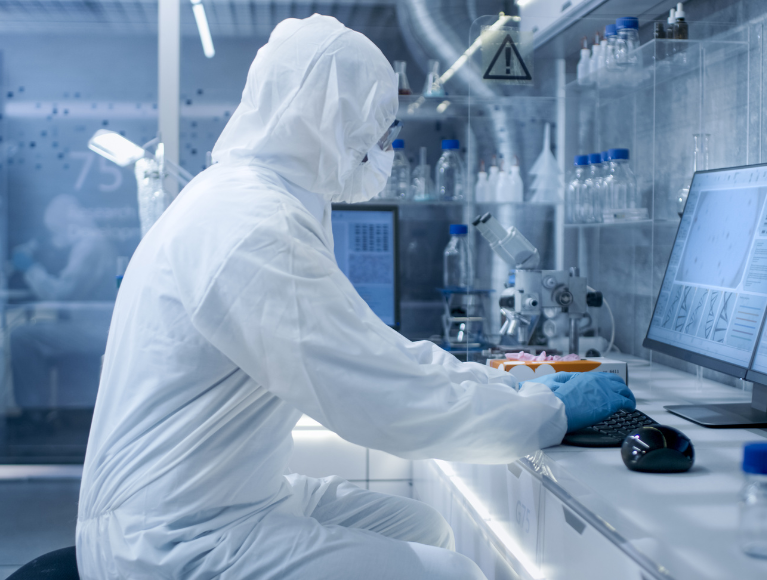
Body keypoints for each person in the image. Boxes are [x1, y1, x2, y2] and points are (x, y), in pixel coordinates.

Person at [76, 15, 634, 580]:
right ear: (331, 122)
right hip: (174, 537)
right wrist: (549, 413)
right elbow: (379, 396)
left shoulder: (263, 198)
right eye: (379, 129)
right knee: (454, 574)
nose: (386, 147)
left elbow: (375, 353)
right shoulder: (250, 227)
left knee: (424, 529)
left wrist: (510, 386)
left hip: (221, 496)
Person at [10, 194, 117, 415]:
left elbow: (61, 294)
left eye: (56, 231)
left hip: (95, 330)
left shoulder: (90, 245)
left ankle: (34, 414)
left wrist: (29, 267)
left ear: (68, 225)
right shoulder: (92, 242)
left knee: (21, 337)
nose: (55, 238)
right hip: (96, 325)